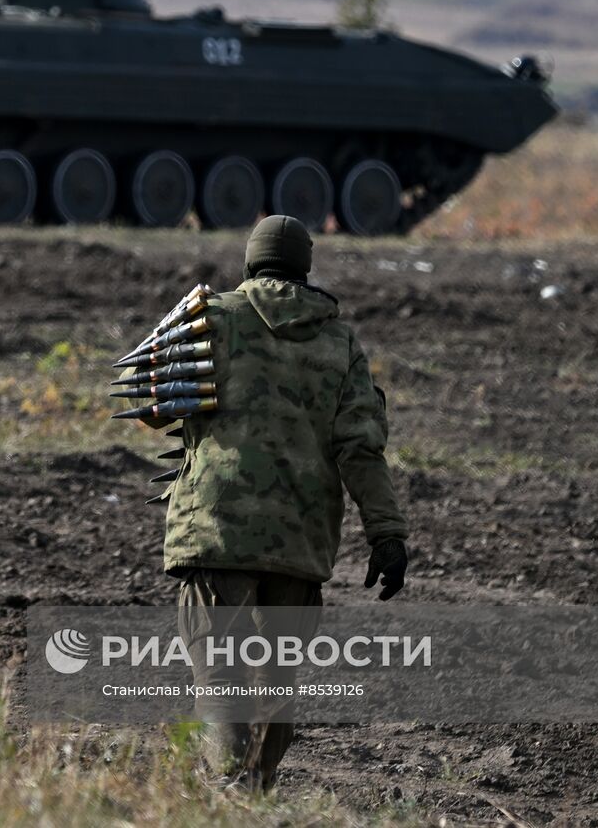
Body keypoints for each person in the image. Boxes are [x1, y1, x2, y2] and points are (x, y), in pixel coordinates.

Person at [161, 214, 409, 791]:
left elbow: (157, 407)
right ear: (305, 268)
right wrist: (387, 533)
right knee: (276, 679)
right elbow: (361, 448)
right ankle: (257, 789)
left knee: (220, 672)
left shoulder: (211, 317)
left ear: (250, 263)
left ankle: (231, 789)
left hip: (215, 528)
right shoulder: (341, 342)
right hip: (298, 540)